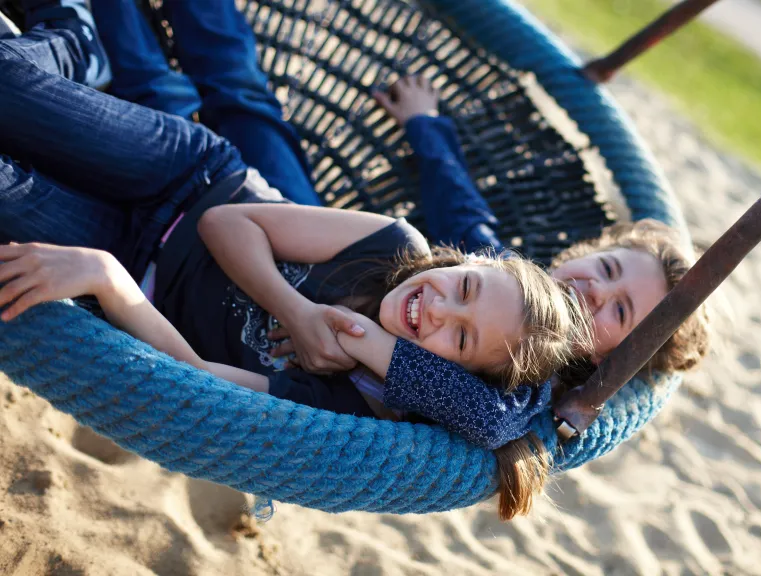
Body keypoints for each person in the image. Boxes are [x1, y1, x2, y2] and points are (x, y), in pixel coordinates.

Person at [0, 0, 593, 519]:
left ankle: (73, 45)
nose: (438, 308)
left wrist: (109, 279)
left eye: (461, 341)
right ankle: (75, 39)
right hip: (187, 176)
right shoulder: (395, 246)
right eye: (464, 287)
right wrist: (297, 310)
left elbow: (197, 380)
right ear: (468, 263)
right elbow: (226, 221)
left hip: (129, 262)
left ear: (449, 380)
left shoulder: (343, 406)